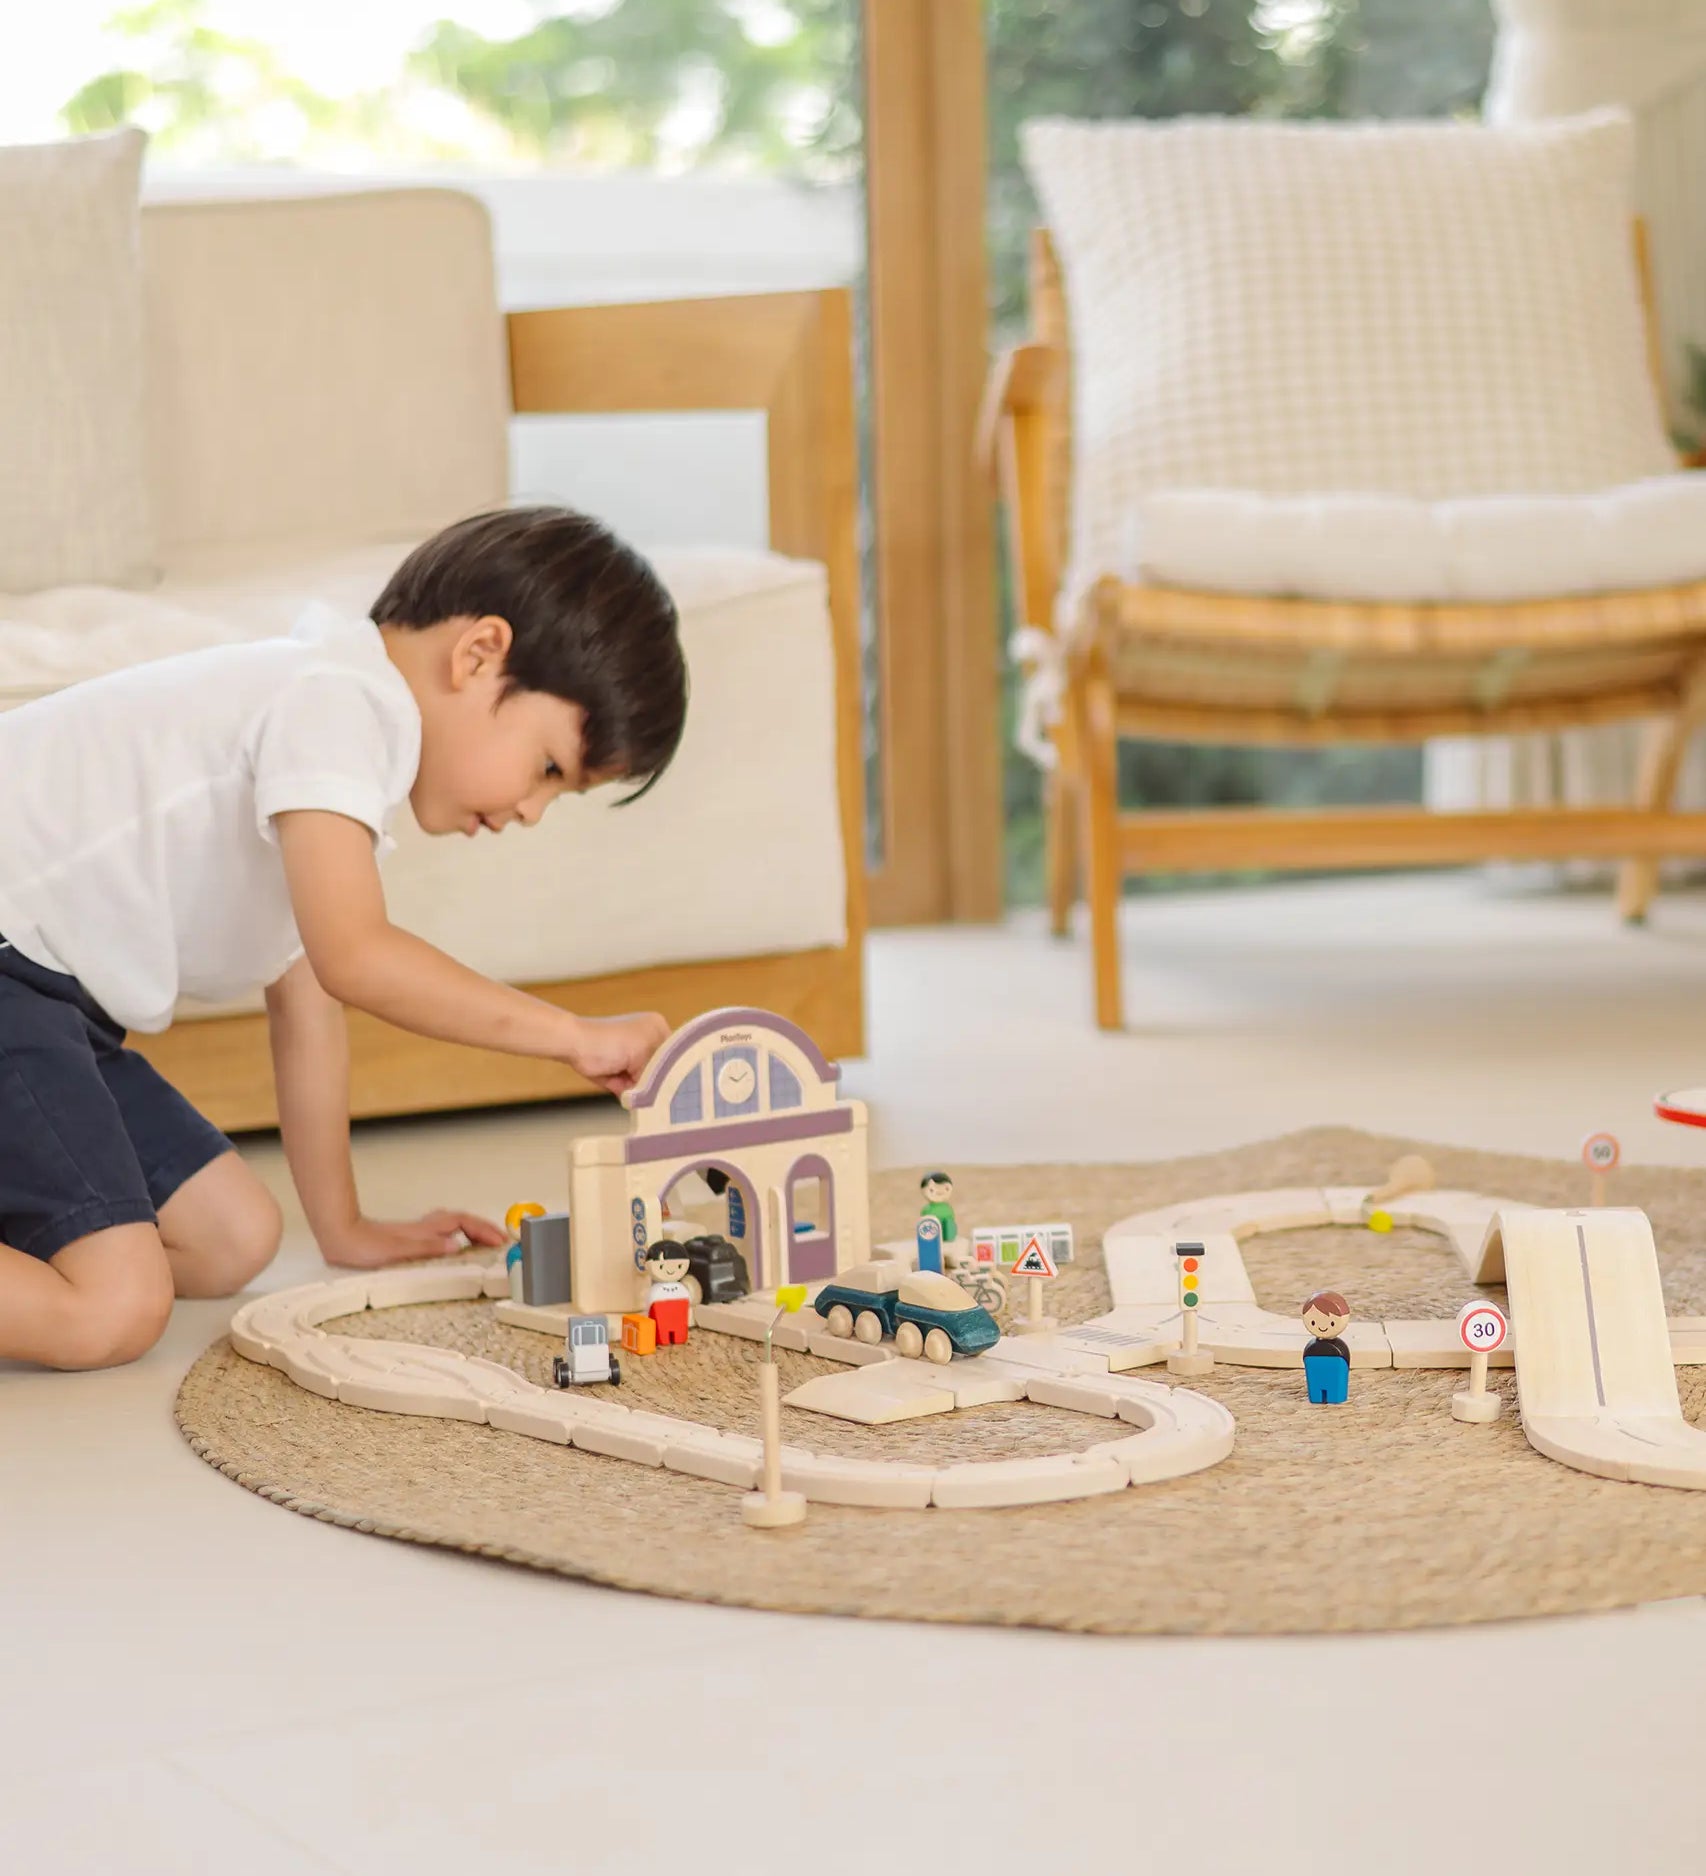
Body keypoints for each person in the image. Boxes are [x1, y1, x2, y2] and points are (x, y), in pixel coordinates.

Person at [0, 506, 686, 1372]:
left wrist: (345, 1226)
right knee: (116, 1308)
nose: (530, 811)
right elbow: (356, 959)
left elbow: (310, 1002)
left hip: (53, 1002)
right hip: (11, 966)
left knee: (232, 1239)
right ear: (478, 656)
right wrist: (573, 1036)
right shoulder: (334, 699)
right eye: (548, 768)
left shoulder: (332, 764)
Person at [1301, 1290, 1352, 1404]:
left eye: (1332, 1323)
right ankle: (1318, 1396)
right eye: (1313, 1322)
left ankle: (1331, 1396)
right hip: (1319, 1368)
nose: (1322, 1327)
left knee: (1334, 1390)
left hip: (1333, 1369)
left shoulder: (1338, 1349)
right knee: (1317, 1389)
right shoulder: (1311, 1348)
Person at [643, 1241, 693, 1347]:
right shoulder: (656, 1290)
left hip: (679, 1314)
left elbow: (688, 1303)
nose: (670, 1270)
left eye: (679, 1266)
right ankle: (663, 1339)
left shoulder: (681, 1288)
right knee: (662, 1334)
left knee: (679, 1331)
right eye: (661, 1267)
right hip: (661, 1315)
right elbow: (648, 1307)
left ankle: (679, 1337)